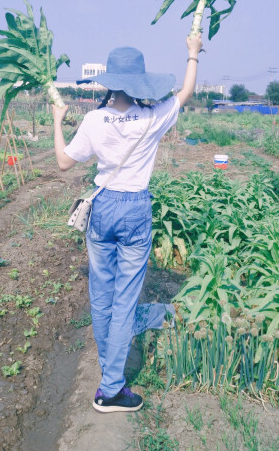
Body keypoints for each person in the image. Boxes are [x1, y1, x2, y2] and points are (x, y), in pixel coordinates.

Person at [52, 33, 202, 413]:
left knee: (102, 295)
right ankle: (112, 389)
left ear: (109, 81)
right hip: (135, 208)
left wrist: (57, 121)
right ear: (138, 83)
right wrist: (192, 54)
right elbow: (184, 93)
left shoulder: (93, 119)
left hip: (103, 208)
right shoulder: (152, 116)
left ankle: (109, 373)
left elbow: (65, 163)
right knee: (125, 300)